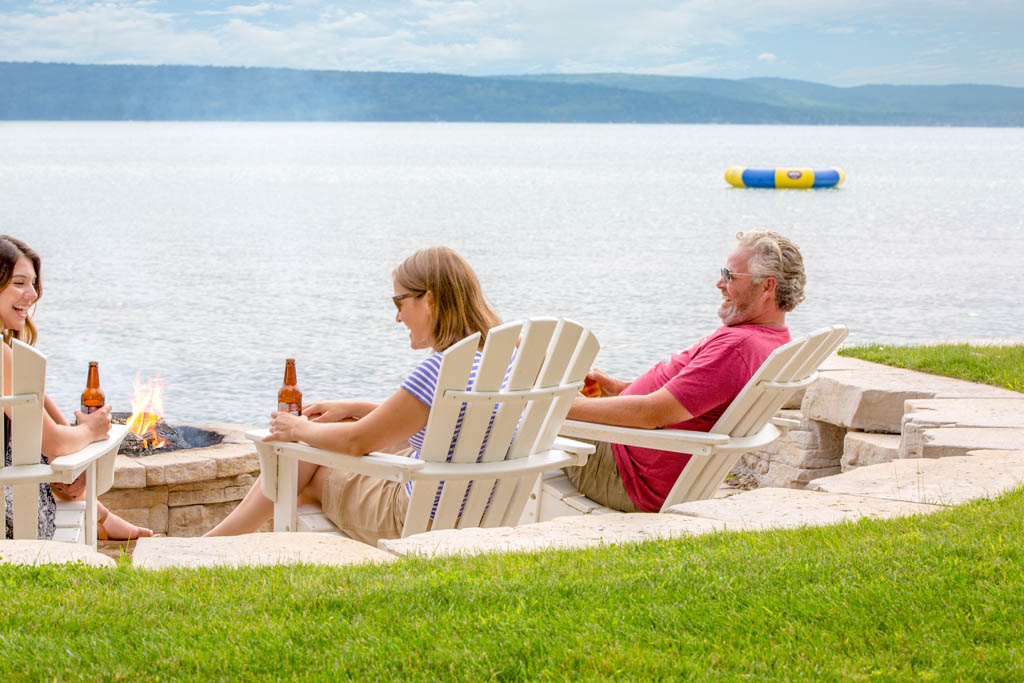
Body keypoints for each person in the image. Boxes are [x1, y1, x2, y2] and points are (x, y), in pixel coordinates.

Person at [206, 246, 502, 544]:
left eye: (399, 302)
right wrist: (354, 408)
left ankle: (210, 546)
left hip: (415, 515)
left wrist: (297, 427)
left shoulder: (439, 370)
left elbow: (355, 441)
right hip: (474, 505)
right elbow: (438, 419)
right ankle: (220, 540)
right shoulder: (499, 360)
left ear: (430, 299)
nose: (398, 317)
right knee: (327, 430)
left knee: (302, 474)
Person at [565, 230, 806, 513]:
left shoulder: (738, 348)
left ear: (767, 287)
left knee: (515, 398)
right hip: (632, 454)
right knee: (528, 370)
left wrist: (558, 407)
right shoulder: (766, 339)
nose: (720, 283)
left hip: (626, 472)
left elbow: (651, 414)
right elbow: (690, 398)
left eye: (729, 275)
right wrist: (619, 389)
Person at [1, 235, 152, 541]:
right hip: (13, 516)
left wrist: (69, 453)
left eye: (33, 284)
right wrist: (92, 431)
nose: (31, 295)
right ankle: (100, 517)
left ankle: (100, 516)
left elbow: (42, 410)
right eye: (19, 283)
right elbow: (55, 443)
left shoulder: (8, 353)